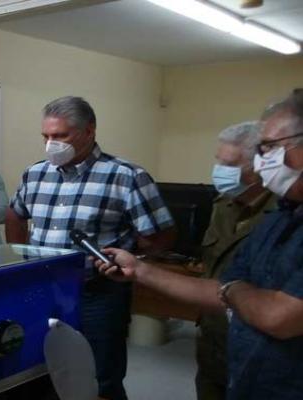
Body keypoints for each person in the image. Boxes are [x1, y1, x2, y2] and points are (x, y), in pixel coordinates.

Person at [96, 89, 303, 400]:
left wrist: (234, 290)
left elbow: (279, 316)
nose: (264, 162)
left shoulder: (274, 212)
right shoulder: (281, 219)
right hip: (237, 364)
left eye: (271, 147)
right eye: (261, 150)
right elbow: (219, 288)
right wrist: (139, 269)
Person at [5, 96, 175, 400]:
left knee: (100, 376)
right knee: (42, 369)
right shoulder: (35, 173)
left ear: (89, 131)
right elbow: (15, 213)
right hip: (42, 290)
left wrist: (132, 258)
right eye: (46, 136)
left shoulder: (126, 176)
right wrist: (19, 254)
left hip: (98, 293)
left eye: (60, 136)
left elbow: (161, 234)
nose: (50, 144)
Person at [196, 121, 276, 400]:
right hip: (212, 341)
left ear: (258, 168)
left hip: (258, 347)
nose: (219, 171)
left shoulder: (283, 214)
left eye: (229, 164)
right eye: (219, 160)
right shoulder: (223, 204)